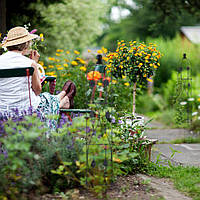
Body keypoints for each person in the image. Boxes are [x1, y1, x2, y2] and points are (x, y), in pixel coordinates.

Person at [0, 26, 76, 128]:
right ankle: (63, 99)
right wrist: (34, 63)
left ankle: (63, 98)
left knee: (46, 99)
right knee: (46, 98)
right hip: (26, 111)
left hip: (3, 111)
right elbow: (37, 91)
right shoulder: (30, 63)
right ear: (26, 44)